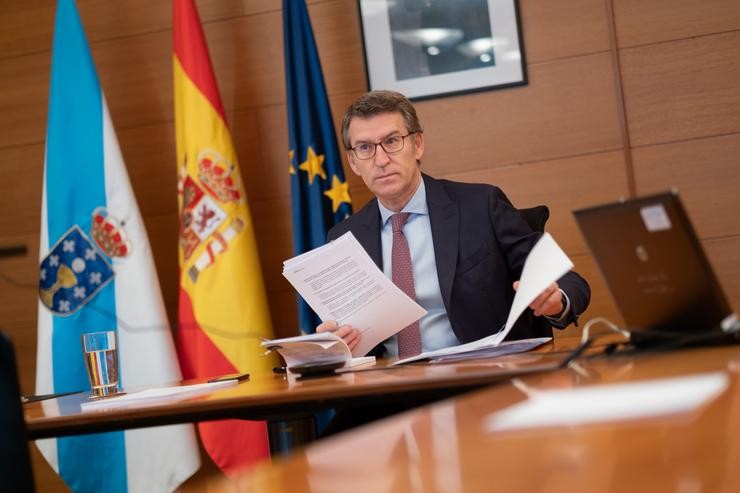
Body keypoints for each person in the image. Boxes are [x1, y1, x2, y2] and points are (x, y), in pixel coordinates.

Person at [318, 90, 590, 358]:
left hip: (480, 378)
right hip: (389, 389)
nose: (381, 160)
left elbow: (565, 279)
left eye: (392, 141)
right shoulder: (344, 237)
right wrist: (337, 343)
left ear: (418, 144)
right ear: (353, 162)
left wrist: (556, 301)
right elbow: (346, 337)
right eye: (365, 148)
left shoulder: (481, 205)